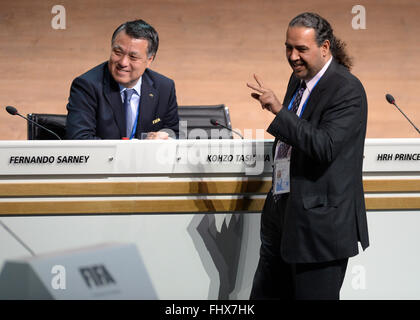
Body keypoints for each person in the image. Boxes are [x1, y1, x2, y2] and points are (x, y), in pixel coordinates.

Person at [247, 12, 369, 300]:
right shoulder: (299, 79)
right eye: (288, 47)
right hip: (283, 221)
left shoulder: (347, 89)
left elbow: (325, 146)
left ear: (325, 47)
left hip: (320, 232)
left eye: (302, 49)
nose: (293, 56)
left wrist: (280, 111)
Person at [66, 19, 179, 140]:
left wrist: (166, 140)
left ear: (150, 59)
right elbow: (80, 140)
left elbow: (174, 134)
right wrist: (136, 150)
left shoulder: (164, 87)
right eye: (117, 52)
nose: (123, 62)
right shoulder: (86, 85)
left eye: (133, 57)